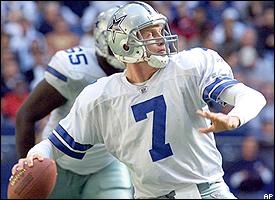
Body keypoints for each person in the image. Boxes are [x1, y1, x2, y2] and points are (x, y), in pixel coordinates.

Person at [12, 2, 267, 199]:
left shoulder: (189, 66)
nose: (161, 39)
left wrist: (234, 117)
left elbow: (251, 96)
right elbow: (53, 144)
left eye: (160, 30)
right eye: (149, 33)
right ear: (124, 45)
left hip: (203, 192)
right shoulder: (101, 95)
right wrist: (31, 158)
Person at [15, 7, 133, 199]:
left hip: (105, 165)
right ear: (107, 41)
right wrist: (29, 172)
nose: (132, 44)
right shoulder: (76, 71)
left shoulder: (141, 72)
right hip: (57, 163)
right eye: (124, 39)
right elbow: (26, 116)